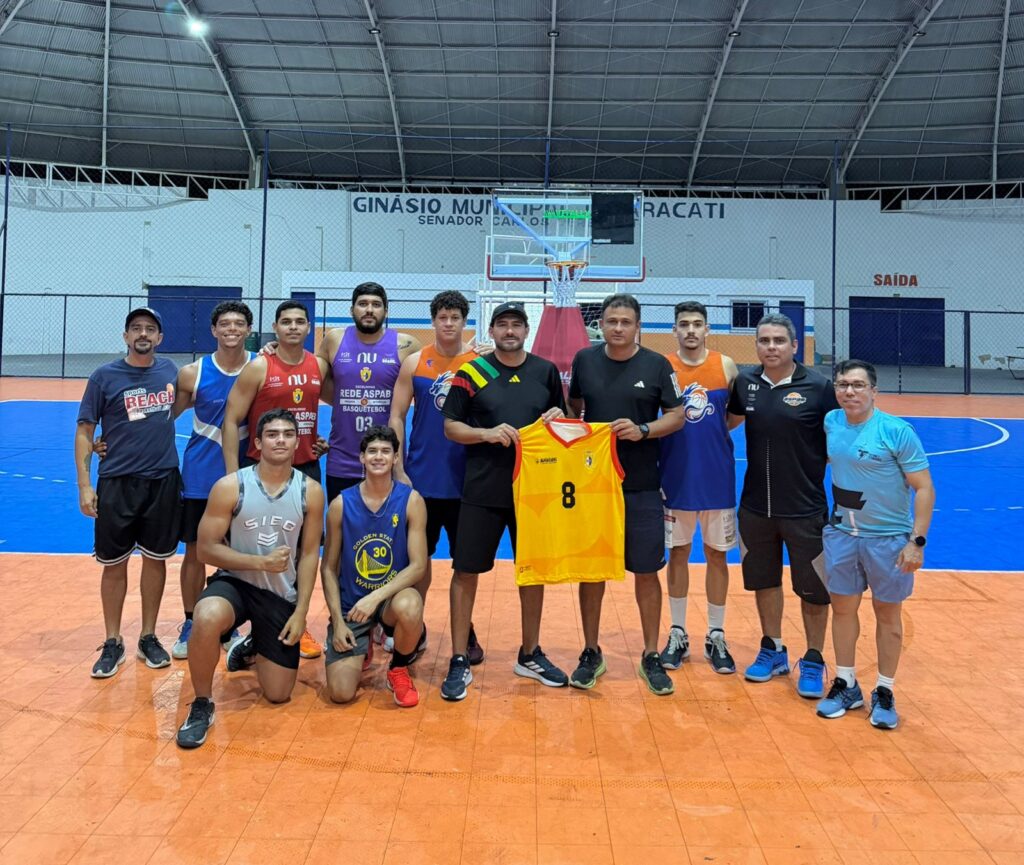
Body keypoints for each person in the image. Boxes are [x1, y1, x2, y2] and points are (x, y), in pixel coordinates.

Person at [440, 301, 567, 701]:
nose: (509, 331)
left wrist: (557, 420)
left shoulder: (545, 371)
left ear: (526, 331)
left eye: (516, 324)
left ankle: (530, 653)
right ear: (492, 331)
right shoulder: (472, 371)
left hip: (534, 491)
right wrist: (486, 434)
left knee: (532, 572)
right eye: (502, 325)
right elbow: (451, 427)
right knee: (465, 571)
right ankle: (459, 658)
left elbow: (564, 425)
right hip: (482, 489)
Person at [175, 409, 324, 748]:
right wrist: (259, 562)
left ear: (297, 442)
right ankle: (202, 703)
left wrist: (301, 611)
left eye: (288, 434)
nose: (280, 440)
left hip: (279, 594)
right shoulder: (231, 487)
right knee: (206, 615)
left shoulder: (310, 491)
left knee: (278, 694)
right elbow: (206, 550)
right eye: (272, 434)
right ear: (257, 443)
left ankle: (253, 644)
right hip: (236, 584)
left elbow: (310, 554)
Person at [567, 294, 684, 695]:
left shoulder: (657, 365)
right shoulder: (584, 360)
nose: (618, 328)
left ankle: (651, 654)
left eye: (626, 322)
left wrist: (644, 430)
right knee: (592, 571)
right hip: (594, 485)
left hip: (641, 484)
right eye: (611, 321)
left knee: (647, 571)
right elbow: (575, 406)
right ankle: (590, 651)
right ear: (600, 324)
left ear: (638, 326)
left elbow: (677, 416)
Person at [815, 360, 934, 729]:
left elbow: (924, 488)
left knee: (887, 614)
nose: (849, 391)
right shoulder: (831, 422)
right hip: (842, 535)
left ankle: (884, 690)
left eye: (857, 385)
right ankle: (846, 683)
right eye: (842, 385)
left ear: (873, 391)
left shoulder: (896, 431)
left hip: (888, 540)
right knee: (842, 610)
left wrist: (916, 542)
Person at [726, 313, 840, 699]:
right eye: (764, 340)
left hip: (805, 508)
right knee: (765, 582)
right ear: (756, 345)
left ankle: (813, 658)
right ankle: (772, 648)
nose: (771, 347)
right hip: (755, 506)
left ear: (794, 345)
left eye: (778, 341)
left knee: (814, 590)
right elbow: (725, 423)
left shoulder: (819, 387)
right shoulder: (746, 383)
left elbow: (838, 440)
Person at [75, 307, 180, 678]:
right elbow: (85, 431)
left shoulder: (171, 372)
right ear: (125, 336)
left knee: (156, 559)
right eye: (136, 328)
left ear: (160, 337)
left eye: (150, 329)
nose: (143, 334)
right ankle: (113, 640)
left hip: (162, 480)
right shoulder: (104, 377)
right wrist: (85, 485)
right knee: (114, 563)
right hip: (117, 481)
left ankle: (148, 636)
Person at [223, 299, 330, 659]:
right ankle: (255, 627)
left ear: (309, 327)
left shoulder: (319, 366)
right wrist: (232, 476)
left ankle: (295, 619)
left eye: (300, 322)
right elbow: (231, 420)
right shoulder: (259, 366)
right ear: (276, 327)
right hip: (261, 472)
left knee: (302, 552)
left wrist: (322, 441)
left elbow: (343, 400)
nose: (293, 327)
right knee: (259, 551)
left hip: (305, 470)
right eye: (286, 322)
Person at [388, 289, 484, 664]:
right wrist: (398, 467)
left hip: (467, 480)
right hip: (422, 478)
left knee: (466, 564)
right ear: (433, 321)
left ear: (464, 322)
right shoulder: (415, 362)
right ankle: (415, 626)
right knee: (419, 561)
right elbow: (397, 416)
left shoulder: (480, 363)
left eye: (455, 317)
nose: (448, 323)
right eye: (442, 317)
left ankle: (466, 627)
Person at [658, 301, 741, 674]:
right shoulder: (662, 367)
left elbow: (734, 416)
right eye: (683, 324)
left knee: (717, 555)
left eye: (697, 324)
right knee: (677, 554)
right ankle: (678, 632)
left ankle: (716, 634)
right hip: (674, 477)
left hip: (717, 477)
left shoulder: (726, 366)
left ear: (707, 329)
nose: (690, 330)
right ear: (674, 330)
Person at [320, 426, 429, 708]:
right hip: (352, 605)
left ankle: (398, 668)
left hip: (388, 600)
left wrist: (375, 597)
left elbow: (418, 566)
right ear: (361, 458)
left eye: (385, 451)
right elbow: (328, 568)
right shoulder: (340, 504)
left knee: (411, 604)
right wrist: (338, 620)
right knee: (341, 693)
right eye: (372, 451)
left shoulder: (412, 501)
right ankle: (363, 640)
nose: (378, 457)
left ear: (395, 458)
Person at [170, 300, 255, 659]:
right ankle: (192, 620)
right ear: (213, 330)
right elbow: (162, 417)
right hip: (201, 474)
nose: (231, 329)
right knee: (195, 550)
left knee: (237, 551)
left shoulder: (261, 366)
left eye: (238, 323)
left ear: (249, 329)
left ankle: (228, 619)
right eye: (225, 323)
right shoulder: (193, 373)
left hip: (248, 473)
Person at [320, 282, 421, 501]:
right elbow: (311, 375)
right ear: (352, 310)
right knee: (341, 520)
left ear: (386, 311)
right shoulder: (334, 340)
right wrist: (275, 349)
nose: (369, 309)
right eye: (363, 304)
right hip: (342, 461)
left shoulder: (407, 345)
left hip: (387, 460)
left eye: (376, 304)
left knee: (388, 523)